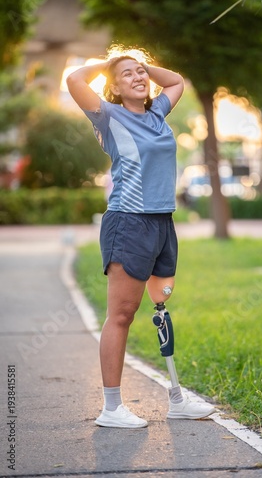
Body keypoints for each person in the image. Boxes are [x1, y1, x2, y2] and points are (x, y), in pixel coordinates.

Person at [66, 45, 215, 428]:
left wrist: (141, 64)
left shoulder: (158, 114)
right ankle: (111, 408)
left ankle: (177, 399)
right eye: (128, 75)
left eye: (141, 73)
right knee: (122, 314)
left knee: (161, 305)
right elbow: (74, 79)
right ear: (114, 87)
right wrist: (112, 64)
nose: (139, 77)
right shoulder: (107, 115)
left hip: (163, 223)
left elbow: (177, 81)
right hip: (128, 223)